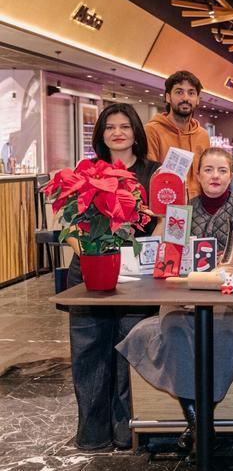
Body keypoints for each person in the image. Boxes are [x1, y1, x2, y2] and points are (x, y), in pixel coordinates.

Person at [117, 148, 233, 451]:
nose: (215, 176)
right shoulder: (184, 209)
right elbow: (166, 252)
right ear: (197, 175)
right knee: (174, 332)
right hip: (181, 293)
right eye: (208, 170)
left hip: (231, 295)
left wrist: (211, 278)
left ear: (231, 175)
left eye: (222, 170)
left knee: (222, 336)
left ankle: (198, 425)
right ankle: (200, 425)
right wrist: (162, 217)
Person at [65, 103, 160, 450]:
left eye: (125, 126)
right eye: (109, 127)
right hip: (90, 273)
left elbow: (166, 220)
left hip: (139, 278)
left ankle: (127, 428)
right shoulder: (85, 171)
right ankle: (92, 431)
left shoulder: (154, 172)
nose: (118, 132)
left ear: (136, 130)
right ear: (100, 134)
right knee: (89, 350)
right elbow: (69, 224)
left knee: (129, 348)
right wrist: (88, 250)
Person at [145, 70, 211, 199]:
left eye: (191, 93)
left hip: (199, 206)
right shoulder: (152, 131)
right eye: (179, 92)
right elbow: (149, 176)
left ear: (197, 99)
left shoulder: (203, 135)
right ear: (168, 97)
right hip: (166, 205)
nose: (185, 98)